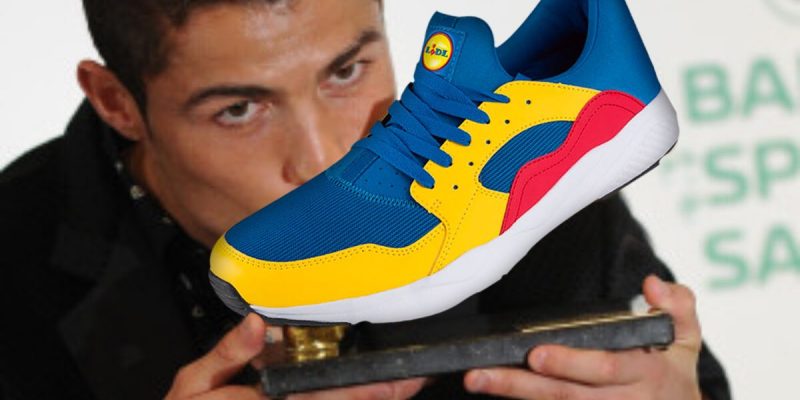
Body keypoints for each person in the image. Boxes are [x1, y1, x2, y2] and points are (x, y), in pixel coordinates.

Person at [0, 0, 730, 399]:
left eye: (346, 72)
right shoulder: (12, 259)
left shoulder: (524, 174)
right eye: (239, 111)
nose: (323, 158)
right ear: (116, 102)